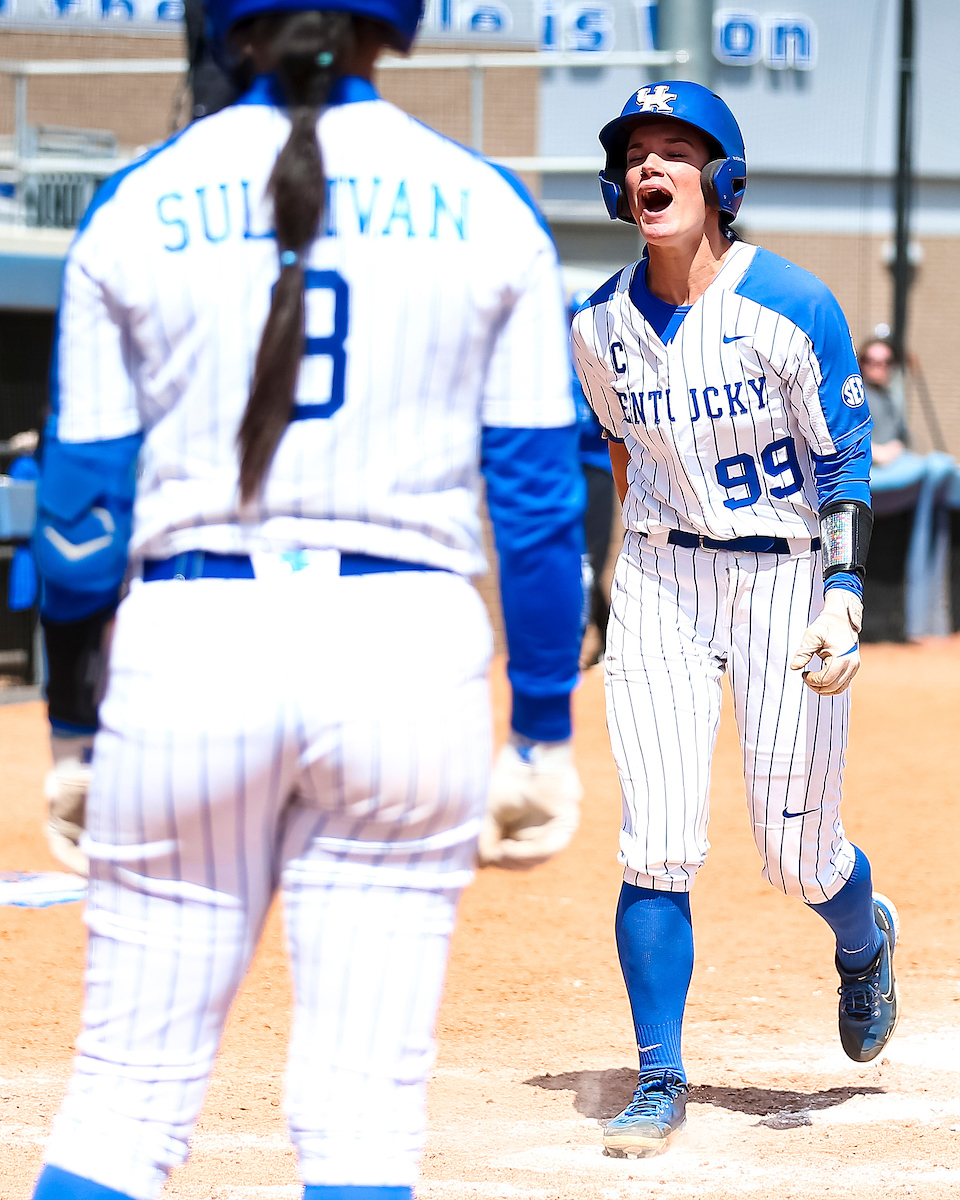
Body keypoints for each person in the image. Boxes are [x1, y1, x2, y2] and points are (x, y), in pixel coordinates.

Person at [29, 1, 586, 1195]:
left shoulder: (134, 202)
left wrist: (74, 724)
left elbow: (79, 512)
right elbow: (538, 505)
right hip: (408, 648)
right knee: (363, 1122)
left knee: (122, 1106)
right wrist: (542, 726)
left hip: (190, 638)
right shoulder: (488, 205)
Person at [571, 82, 899, 1160]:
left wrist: (845, 598)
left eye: (676, 151)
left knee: (795, 855)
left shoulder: (793, 304)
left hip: (787, 580)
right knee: (656, 841)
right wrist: (618, 577)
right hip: (664, 581)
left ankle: (863, 938)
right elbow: (622, 456)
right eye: (635, 155)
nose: (650, 168)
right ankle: (660, 1076)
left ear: (724, 182)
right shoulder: (597, 327)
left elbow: (846, 462)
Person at [570, 292, 617, 668]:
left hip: (599, 470)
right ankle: (603, 636)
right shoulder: (559, 368)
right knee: (577, 560)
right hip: (568, 472)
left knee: (590, 561)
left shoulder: (606, 363)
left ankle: (583, 643)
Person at [859, 338, 909, 467]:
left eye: (885, 361)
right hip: (867, 467)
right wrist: (876, 451)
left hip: (893, 463)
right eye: (871, 361)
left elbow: (902, 436)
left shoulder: (891, 397)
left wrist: (898, 446)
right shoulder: (856, 395)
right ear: (861, 362)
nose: (879, 366)